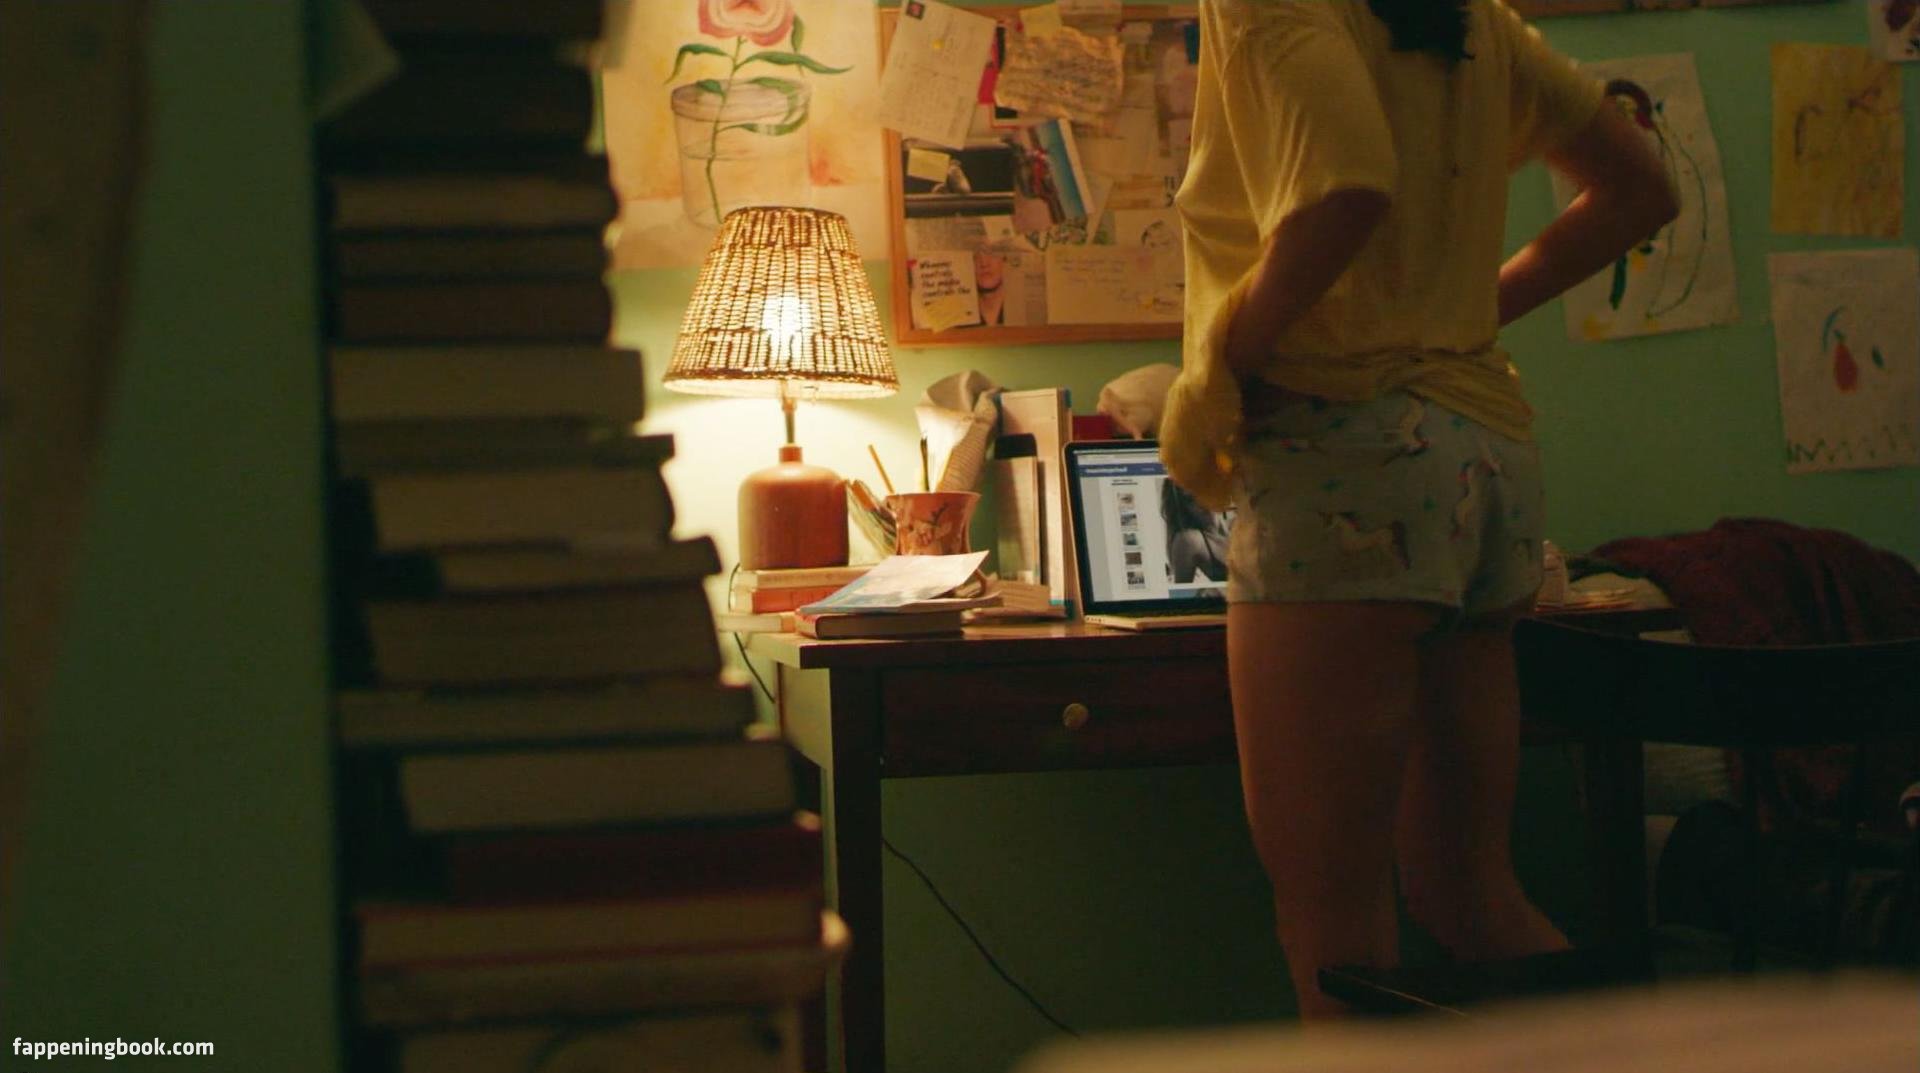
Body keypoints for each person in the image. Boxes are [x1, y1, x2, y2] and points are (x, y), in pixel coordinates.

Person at [1160, 0, 1677, 1018]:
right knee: (1469, 891)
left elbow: (1345, 187)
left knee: (1335, 933)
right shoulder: (1473, 17)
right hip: (1486, 457)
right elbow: (1642, 189)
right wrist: (1465, 318)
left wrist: (1229, 362)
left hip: (1346, 456)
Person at [1162, 478, 1230, 584]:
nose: (1202, 503)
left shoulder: (1241, 522)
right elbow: (1181, 592)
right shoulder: (1189, 540)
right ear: (1183, 508)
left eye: (1203, 491)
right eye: (1190, 499)